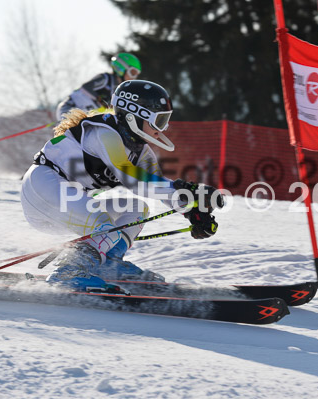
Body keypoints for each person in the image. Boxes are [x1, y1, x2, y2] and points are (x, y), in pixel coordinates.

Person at [21, 79, 223, 291]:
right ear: (133, 116)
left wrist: (191, 210)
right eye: (159, 121)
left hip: (67, 208)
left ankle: (108, 263)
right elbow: (132, 178)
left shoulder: (142, 152)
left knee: (137, 209)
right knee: (102, 222)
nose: (161, 129)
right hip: (42, 189)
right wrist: (185, 191)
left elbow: (156, 186)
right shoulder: (105, 133)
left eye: (165, 121)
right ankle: (67, 273)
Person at [55, 53, 142, 121]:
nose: (134, 77)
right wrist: (103, 103)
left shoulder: (119, 89)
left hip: (84, 115)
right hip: (69, 108)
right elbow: (85, 88)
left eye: (136, 75)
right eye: (133, 73)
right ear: (121, 68)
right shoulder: (105, 78)